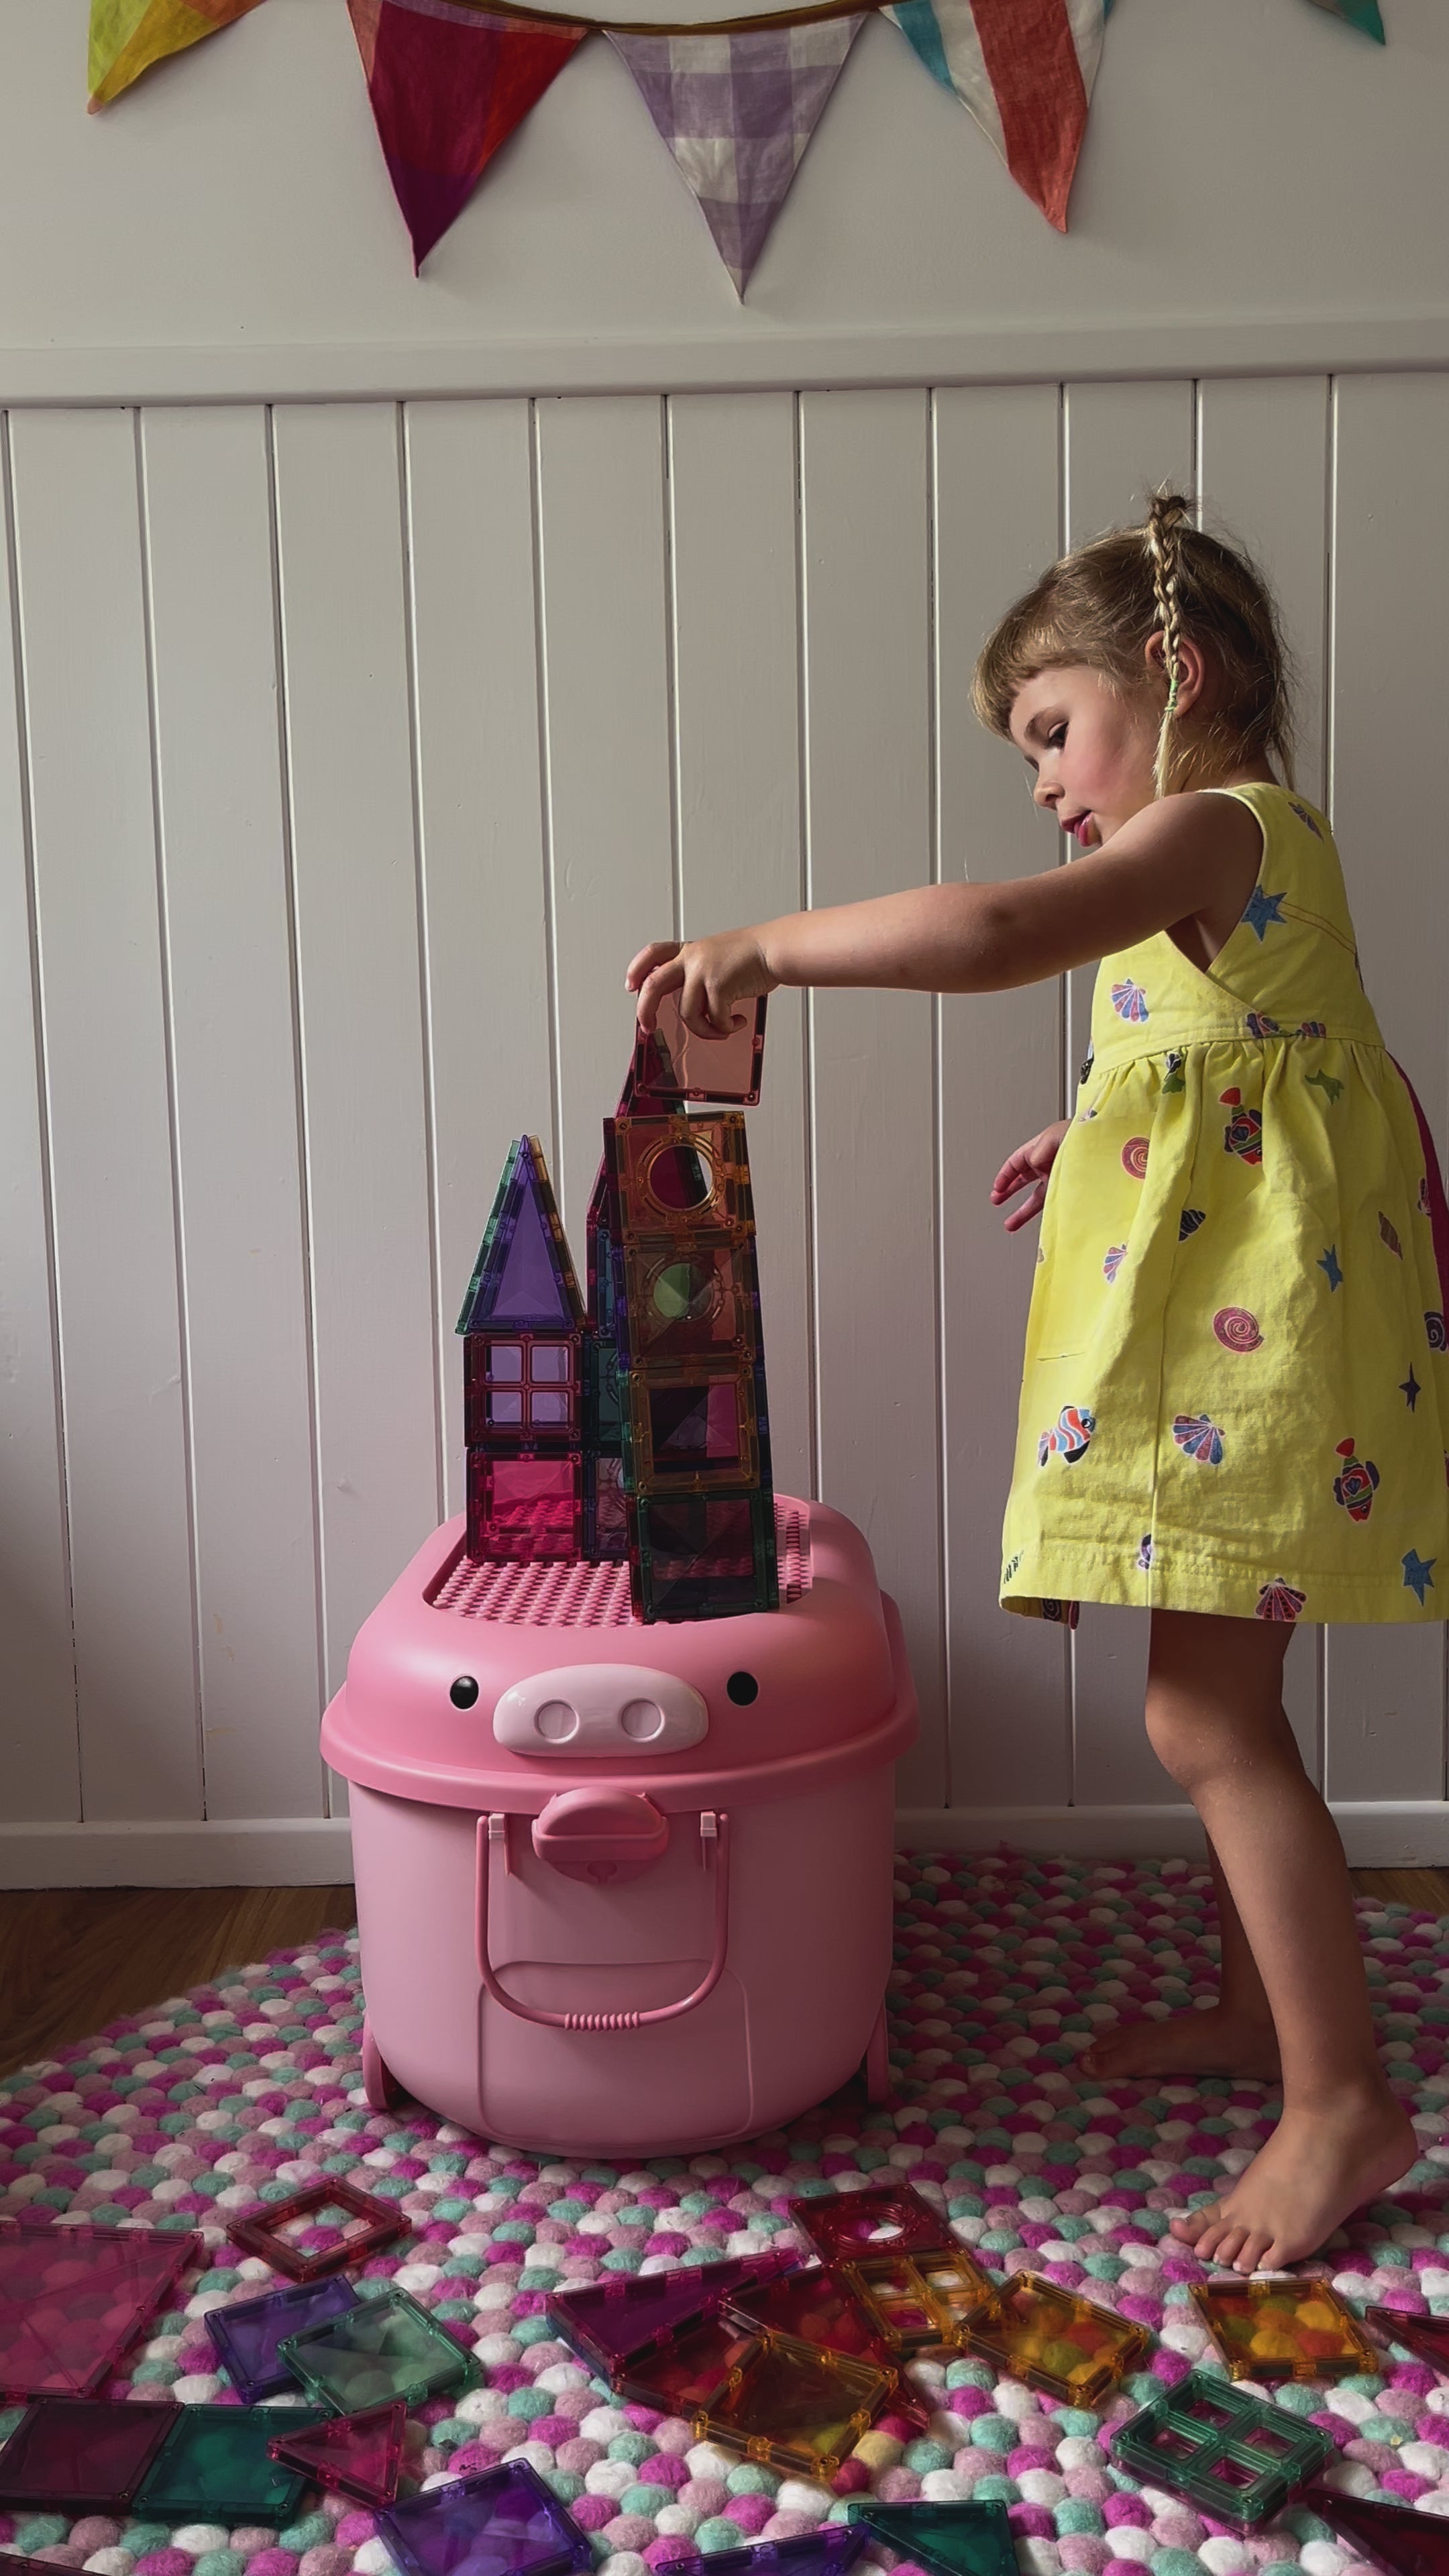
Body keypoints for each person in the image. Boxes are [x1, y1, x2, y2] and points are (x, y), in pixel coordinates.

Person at [626, 491, 1449, 2273]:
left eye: (1057, 734)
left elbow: (996, 930)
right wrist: (1089, 1134)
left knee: (1200, 1720)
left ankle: (1343, 2105)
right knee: (1227, 1699)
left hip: (1266, 1347)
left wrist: (766, 945)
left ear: (1181, 673)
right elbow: (1248, 1068)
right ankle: (1269, 2023)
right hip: (1253, 1322)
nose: (1050, 783)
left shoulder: (1224, 824)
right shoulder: (1226, 881)